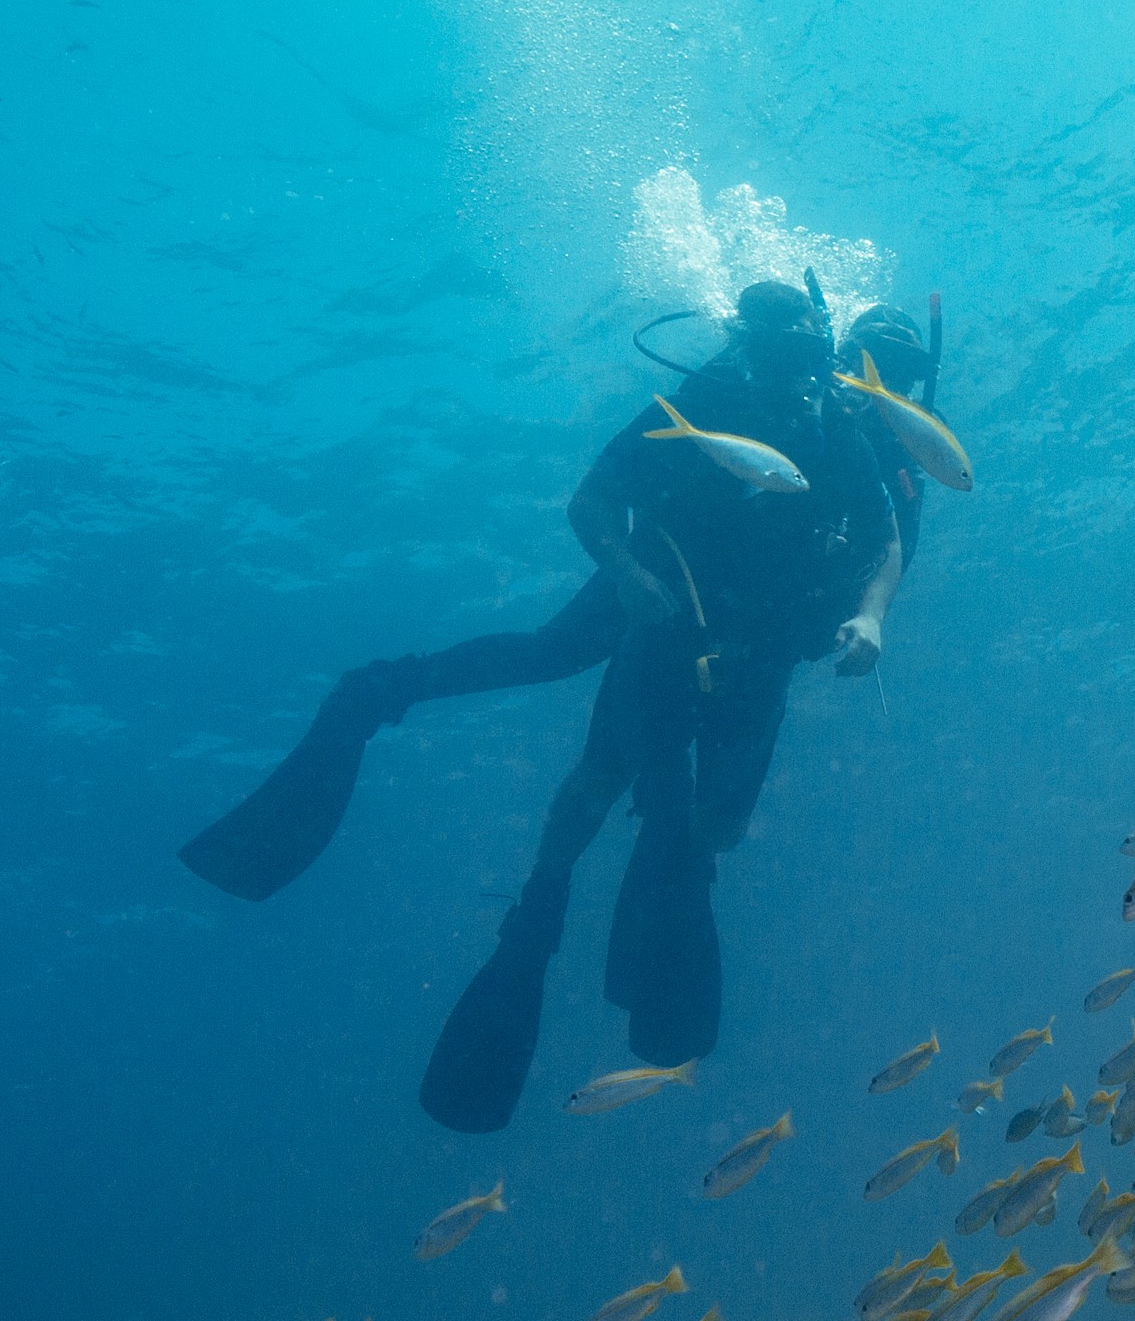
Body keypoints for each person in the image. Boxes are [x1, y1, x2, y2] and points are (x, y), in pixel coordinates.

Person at [177, 281, 935, 1132]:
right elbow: (592, 497)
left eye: (899, 374)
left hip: (757, 649)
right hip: (656, 606)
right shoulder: (713, 399)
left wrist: (871, 616)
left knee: (711, 826)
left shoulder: (855, 439)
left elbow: (886, 543)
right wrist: (627, 571)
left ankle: (633, 890)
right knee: (590, 735)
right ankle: (513, 870)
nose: (882, 386)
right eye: (869, 365)